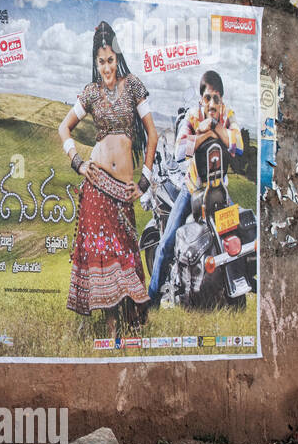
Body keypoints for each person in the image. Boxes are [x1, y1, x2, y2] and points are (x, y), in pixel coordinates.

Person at [57, 22, 159, 332]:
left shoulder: (133, 87)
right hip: (96, 184)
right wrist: (77, 162)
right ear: (95, 62)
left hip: (124, 189)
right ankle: (111, 326)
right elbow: (63, 128)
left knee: (125, 253)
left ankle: (130, 324)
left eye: (111, 60)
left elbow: (153, 135)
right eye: (101, 62)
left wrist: (144, 180)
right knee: (103, 254)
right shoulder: (91, 93)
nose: (106, 68)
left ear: (118, 57)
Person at [147, 70, 243, 303]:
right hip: (192, 189)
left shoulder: (227, 114)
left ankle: (237, 294)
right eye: (208, 98)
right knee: (167, 243)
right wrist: (203, 133)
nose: (212, 103)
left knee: (239, 237)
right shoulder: (191, 116)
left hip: (220, 190)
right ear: (201, 99)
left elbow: (238, 147)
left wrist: (215, 127)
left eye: (216, 98)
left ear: (222, 100)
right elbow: (180, 151)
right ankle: (151, 301)